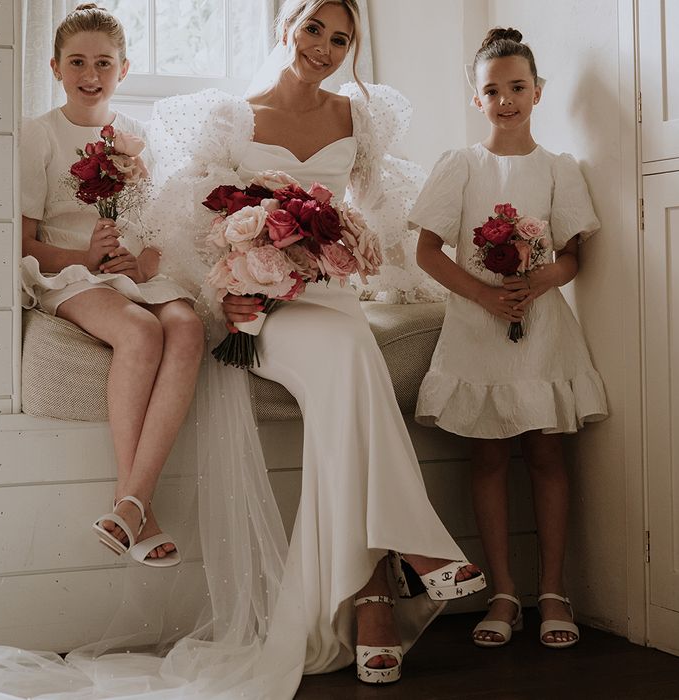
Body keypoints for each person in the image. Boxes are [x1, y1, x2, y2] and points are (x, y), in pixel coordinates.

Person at [146, 0, 485, 687]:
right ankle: (409, 558)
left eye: (340, 39)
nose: (324, 48)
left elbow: (382, 220)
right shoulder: (230, 117)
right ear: (285, 29)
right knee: (353, 358)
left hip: (332, 300)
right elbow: (189, 224)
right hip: (263, 310)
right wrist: (226, 295)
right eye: (312, 30)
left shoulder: (358, 117)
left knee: (351, 361)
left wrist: (376, 265)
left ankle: (371, 602)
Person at [409, 27, 608, 649]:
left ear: (538, 92)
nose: (506, 100)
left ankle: (552, 592)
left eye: (517, 87)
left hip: (543, 326)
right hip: (476, 327)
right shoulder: (461, 165)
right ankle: (502, 593)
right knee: (489, 456)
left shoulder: (558, 168)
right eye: (492, 90)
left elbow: (573, 255)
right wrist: (485, 294)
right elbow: (426, 250)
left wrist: (536, 280)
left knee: (546, 454)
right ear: (477, 99)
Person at [21, 3, 204, 566]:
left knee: (188, 327)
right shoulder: (38, 136)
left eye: (104, 62)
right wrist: (85, 255)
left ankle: (129, 504)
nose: (90, 74)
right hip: (68, 273)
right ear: (55, 68)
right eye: (77, 62)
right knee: (141, 333)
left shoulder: (135, 137)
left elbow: (156, 229)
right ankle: (137, 505)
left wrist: (142, 261)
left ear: (123, 70)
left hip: (128, 274)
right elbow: (22, 242)